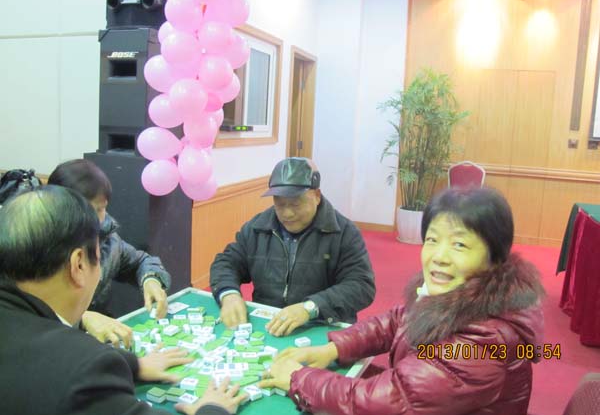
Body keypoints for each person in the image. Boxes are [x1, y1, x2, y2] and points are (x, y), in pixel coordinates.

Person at [260, 187, 546, 415]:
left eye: (459, 244)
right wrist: (334, 349)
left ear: (495, 258)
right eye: (432, 240)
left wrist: (299, 379)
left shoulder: (485, 340)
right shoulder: (454, 292)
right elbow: (397, 320)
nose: (439, 256)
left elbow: (389, 400)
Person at [0, 186, 247, 415]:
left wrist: (133, 365)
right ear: (78, 265)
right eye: (99, 256)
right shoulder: (83, 368)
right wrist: (212, 409)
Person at [210, 157, 376, 336]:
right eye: (280, 204)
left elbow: (361, 286)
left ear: (317, 196)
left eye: (296, 204)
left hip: (322, 326)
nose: (287, 213)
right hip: (269, 326)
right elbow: (226, 262)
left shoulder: (344, 233)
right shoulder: (257, 228)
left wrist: (311, 307)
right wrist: (229, 294)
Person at [48, 159, 171, 347]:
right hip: (54, 345)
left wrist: (151, 280)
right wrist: (82, 318)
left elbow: (140, 261)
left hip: (98, 342)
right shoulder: (38, 247)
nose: (98, 218)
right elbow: (23, 310)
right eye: (90, 210)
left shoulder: (107, 238)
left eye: (101, 208)